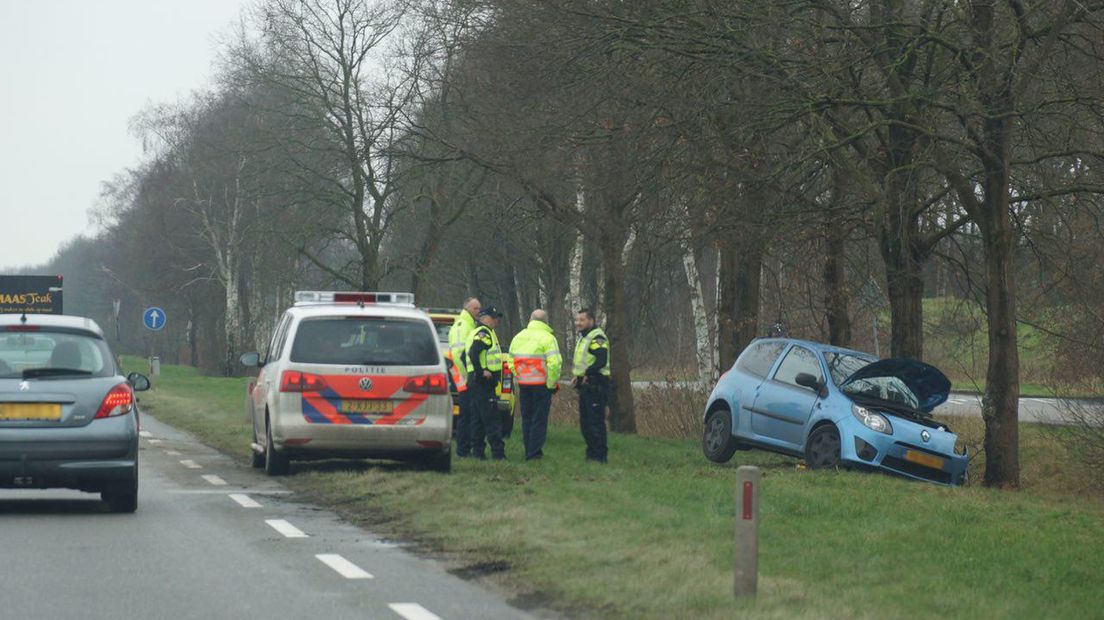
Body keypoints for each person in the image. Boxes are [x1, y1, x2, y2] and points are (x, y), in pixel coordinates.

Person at [509, 309, 562, 461]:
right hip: (541, 385)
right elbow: (555, 364)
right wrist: (551, 384)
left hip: (524, 384)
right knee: (539, 419)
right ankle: (534, 453)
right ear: (545, 322)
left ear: (530, 319)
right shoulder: (548, 338)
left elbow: (511, 360)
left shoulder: (518, 337)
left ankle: (528, 450)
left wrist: (519, 375)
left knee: (527, 418)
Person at [465, 306, 506, 460]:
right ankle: (498, 454)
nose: (496, 320)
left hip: (476, 383)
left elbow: (466, 355)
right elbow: (473, 353)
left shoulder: (476, 332)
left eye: (497, 317)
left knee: (478, 420)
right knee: (492, 419)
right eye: (493, 317)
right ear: (483, 318)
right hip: (483, 383)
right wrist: (481, 371)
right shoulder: (484, 333)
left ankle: (478, 453)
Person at [572, 308, 609, 463]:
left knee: (595, 423)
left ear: (591, 320)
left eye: (582, 320)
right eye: (577, 320)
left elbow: (600, 360)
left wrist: (587, 373)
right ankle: (591, 454)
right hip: (585, 385)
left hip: (596, 384)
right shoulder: (584, 338)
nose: (578, 323)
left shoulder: (597, 337)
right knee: (585, 424)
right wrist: (578, 378)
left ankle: (599, 457)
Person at [447, 297, 480, 458]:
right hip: (465, 380)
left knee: (467, 415)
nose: (478, 311)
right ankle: (463, 450)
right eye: (476, 308)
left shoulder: (467, 324)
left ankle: (465, 449)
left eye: (479, 308)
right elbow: (459, 355)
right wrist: (468, 377)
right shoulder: (463, 326)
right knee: (466, 416)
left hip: (464, 378)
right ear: (467, 309)